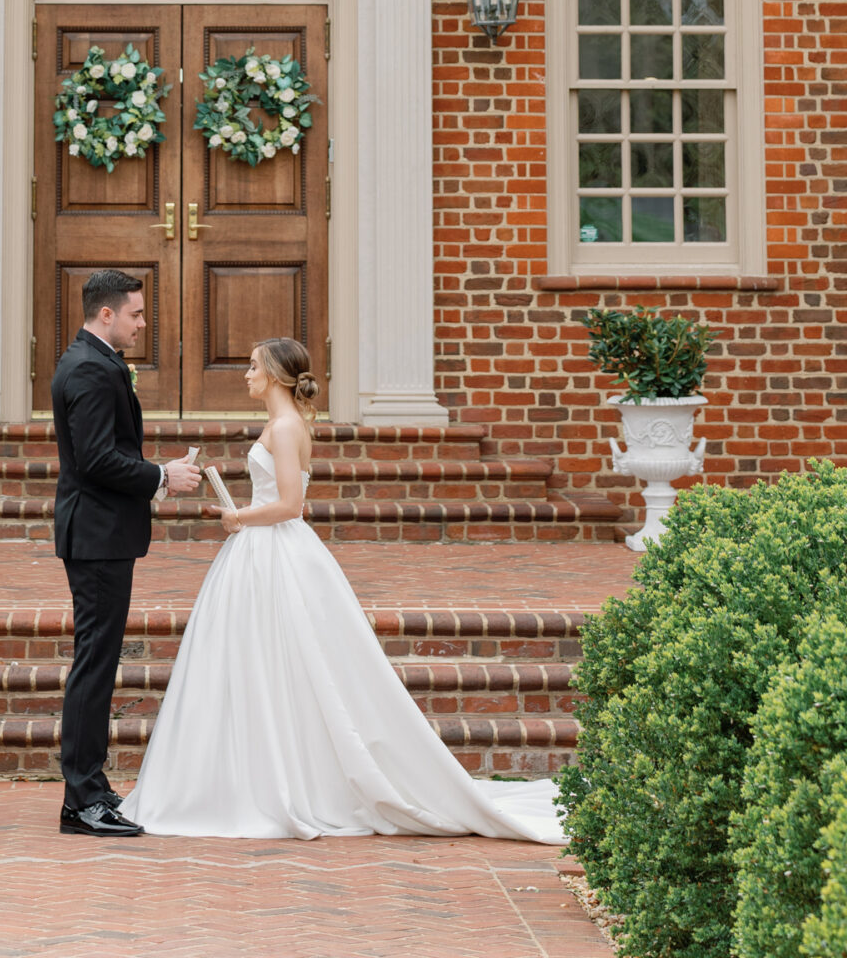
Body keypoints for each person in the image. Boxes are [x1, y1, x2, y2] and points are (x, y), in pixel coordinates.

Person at [121, 337, 567, 842]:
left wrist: (236, 515)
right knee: (262, 660)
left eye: (251, 366)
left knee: (290, 658)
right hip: (262, 553)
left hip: (274, 549)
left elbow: (291, 505)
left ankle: (286, 784)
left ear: (273, 374)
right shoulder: (280, 425)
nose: (245, 374)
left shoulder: (286, 428)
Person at [50, 268, 201, 837]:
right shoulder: (89, 368)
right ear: (106, 314)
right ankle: (82, 799)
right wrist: (163, 476)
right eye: (136, 314)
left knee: (99, 661)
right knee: (94, 664)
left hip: (99, 534)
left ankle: (89, 788)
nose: (143, 323)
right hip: (95, 536)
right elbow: (94, 460)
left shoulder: (94, 361)